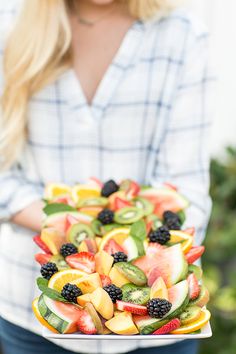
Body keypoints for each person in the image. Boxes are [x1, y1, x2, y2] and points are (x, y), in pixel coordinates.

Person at [0, 0, 214, 353]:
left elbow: (185, 189)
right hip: (30, 313)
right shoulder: (9, 21)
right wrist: (81, 232)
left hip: (159, 324)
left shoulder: (183, 34)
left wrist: (109, 250)